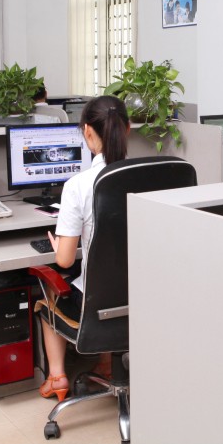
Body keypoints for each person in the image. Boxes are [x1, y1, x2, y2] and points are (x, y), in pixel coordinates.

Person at [38, 95, 131, 401]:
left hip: (99, 305)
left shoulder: (78, 185)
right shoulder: (152, 176)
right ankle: (106, 365)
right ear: (127, 129)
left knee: (49, 293)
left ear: (88, 132)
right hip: (144, 297)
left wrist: (58, 245)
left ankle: (57, 377)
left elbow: (65, 261)